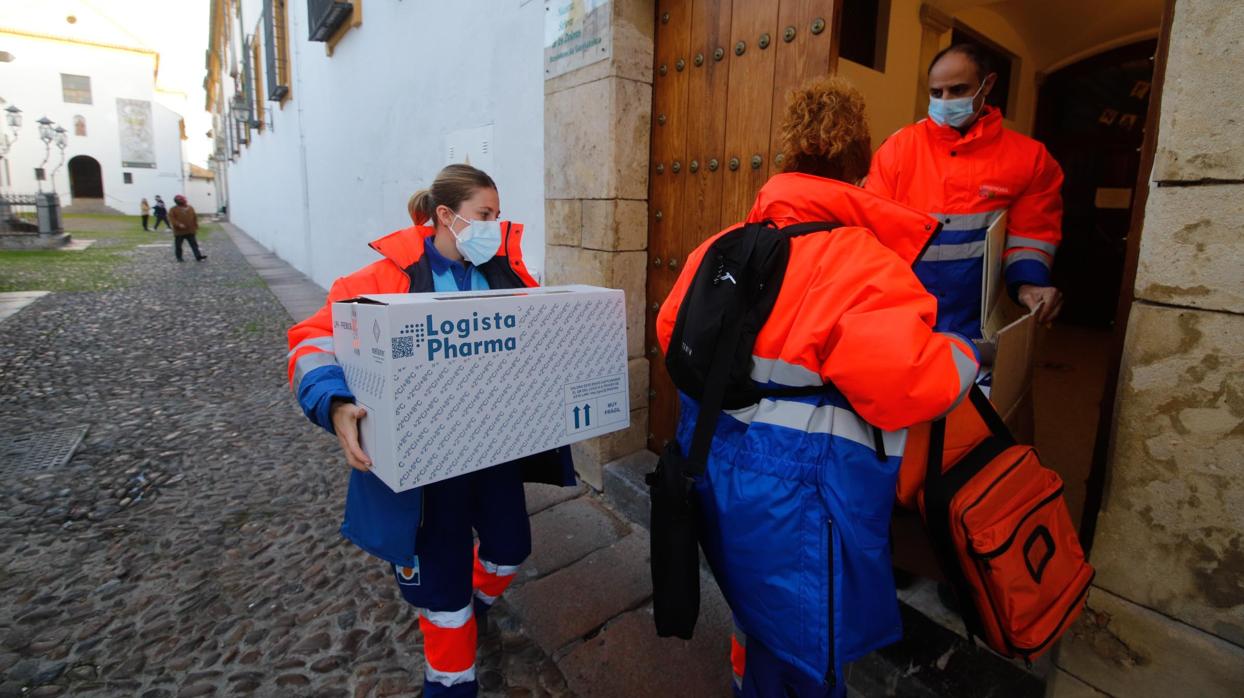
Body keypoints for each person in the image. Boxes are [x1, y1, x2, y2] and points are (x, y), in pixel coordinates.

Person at [656, 76, 979, 697]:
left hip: (714, 472)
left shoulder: (718, 248)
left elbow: (671, 332)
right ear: (860, 172)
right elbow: (912, 382)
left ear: (788, 161)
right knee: (808, 658)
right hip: (804, 496)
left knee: (753, 609)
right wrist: (969, 352)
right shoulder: (863, 262)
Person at [286, 164, 574, 698]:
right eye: (484, 215)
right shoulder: (380, 278)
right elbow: (312, 340)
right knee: (444, 598)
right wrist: (334, 403)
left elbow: (539, 335)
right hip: (425, 464)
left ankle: (476, 605)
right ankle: (449, 683)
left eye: (497, 215)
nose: (494, 224)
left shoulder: (505, 273)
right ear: (447, 216)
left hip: (493, 451)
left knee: (509, 549)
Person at [865, 43, 1065, 336]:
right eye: (936, 93)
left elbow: (1031, 236)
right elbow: (870, 232)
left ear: (988, 85)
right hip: (902, 318)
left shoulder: (1030, 159)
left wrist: (1029, 283)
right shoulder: (897, 149)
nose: (945, 101)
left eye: (957, 90)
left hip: (979, 325)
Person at [168, 195, 206, 262]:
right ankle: (179, 258)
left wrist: (195, 226)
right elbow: (172, 219)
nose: (183, 201)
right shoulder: (173, 209)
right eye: (181, 200)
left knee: (194, 244)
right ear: (177, 201)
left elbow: (194, 217)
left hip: (190, 230)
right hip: (179, 232)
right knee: (178, 246)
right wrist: (178, 224)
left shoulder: (190, 208)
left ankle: (198, 256)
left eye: (183, 199)